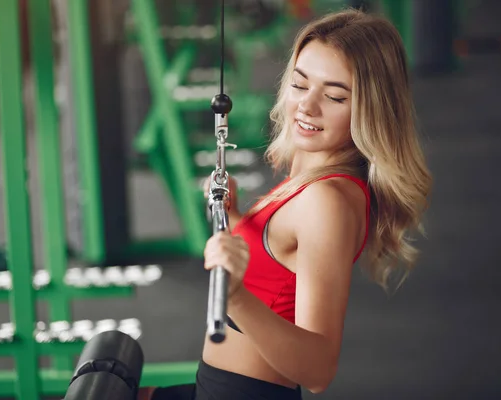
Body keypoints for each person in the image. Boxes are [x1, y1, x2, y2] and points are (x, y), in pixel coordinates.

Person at [142, 7, 432, 400]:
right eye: (299, 85)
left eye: (334, 96)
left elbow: (317, 370)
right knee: (103, 379)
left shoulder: (325, 201)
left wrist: (235, 297)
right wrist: (238, 217)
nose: (307, 107)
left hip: (244, 394)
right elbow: (280, 272)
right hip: (214, 386)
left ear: (370, 109)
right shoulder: (312, 182)